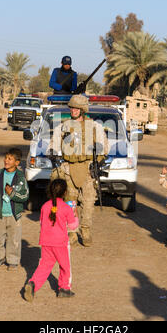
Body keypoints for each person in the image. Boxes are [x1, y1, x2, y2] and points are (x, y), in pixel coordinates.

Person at [49, 95, 108, 247]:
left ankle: (86, 230)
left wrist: (98, 163)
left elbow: (103, 148)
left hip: (88, 169)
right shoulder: (62, 127)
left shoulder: (95, 127)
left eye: (76, 108)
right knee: (70, 203)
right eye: (71, 108)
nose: (73, 110)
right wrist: (55, 157)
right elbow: (54, 147)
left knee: (88, 203)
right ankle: (72, 232)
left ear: (83, 110)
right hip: (69, 169)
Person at [24, 179, 79, 302]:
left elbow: (42, 223)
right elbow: (73, 226)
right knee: (65, 266)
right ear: (65, 192)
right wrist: (75, 213)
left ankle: (32, 283)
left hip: (46, 241)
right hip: (61, 243)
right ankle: (64, 289)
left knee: (44, 266)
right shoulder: (66, 208)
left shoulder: (44, 206)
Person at [0, 148, 29, 271]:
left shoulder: (20, 177)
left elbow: (25, 196)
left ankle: (13, 260)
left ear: (17, 162)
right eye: (5, 158)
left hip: (14, 214)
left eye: (10, 159)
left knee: (14, 239)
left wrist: (12, 194)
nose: (6, 160)